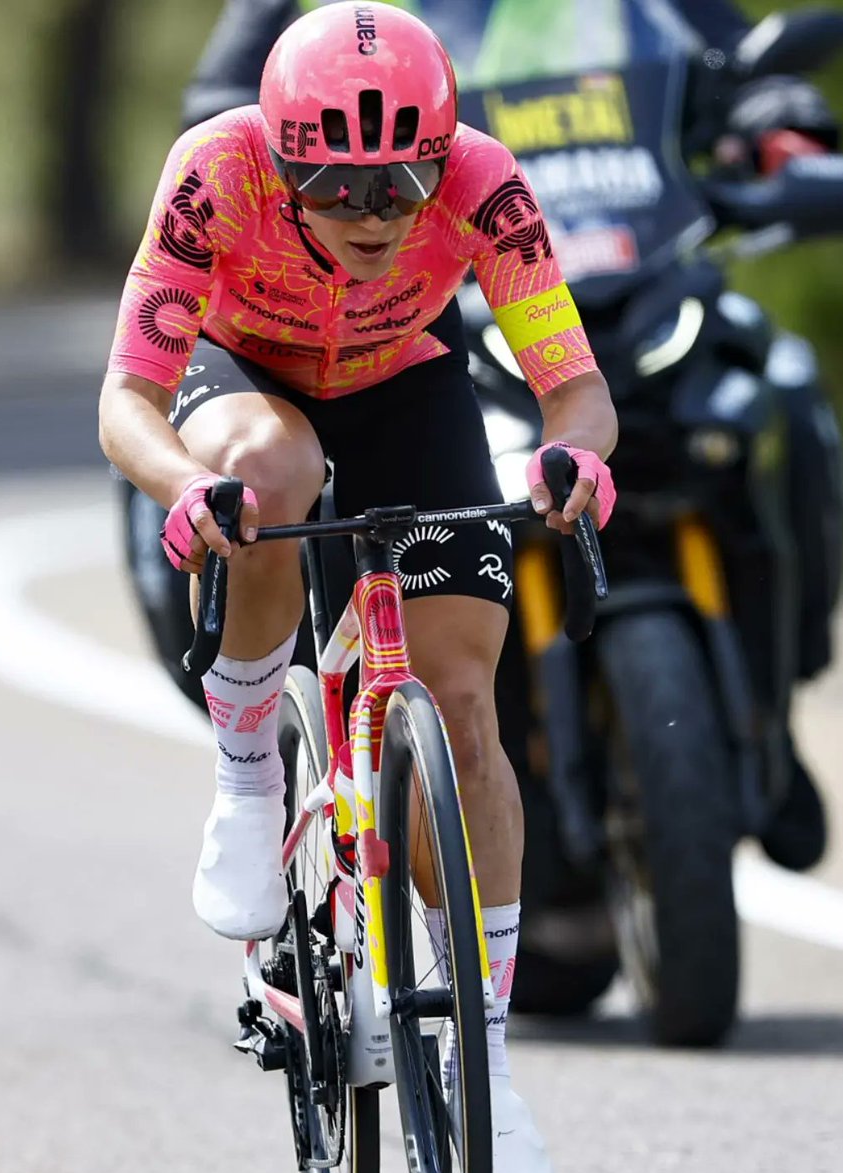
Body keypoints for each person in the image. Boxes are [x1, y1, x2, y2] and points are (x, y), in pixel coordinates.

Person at [99, 4, 617, 1173]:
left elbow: (571, 384)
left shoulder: (485, 181)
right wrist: (184, 486)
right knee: (269, 476)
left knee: (465, 710)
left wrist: (572, 458)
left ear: (442, 158)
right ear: (282, 164)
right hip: (248, 384)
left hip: (403, 382)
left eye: (402, 186)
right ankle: (246, 771)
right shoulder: (212, 172)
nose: (377, 217)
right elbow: (127, 395)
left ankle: (484, 1058)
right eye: (336, 187)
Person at [155, 0, 838, 874]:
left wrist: (777, 120)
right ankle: (282, 759)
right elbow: (223, 99)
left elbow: (737, 58)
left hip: (613, 245)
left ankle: (773, 709)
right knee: (277, 474)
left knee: (780, 392)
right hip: (403, 295)